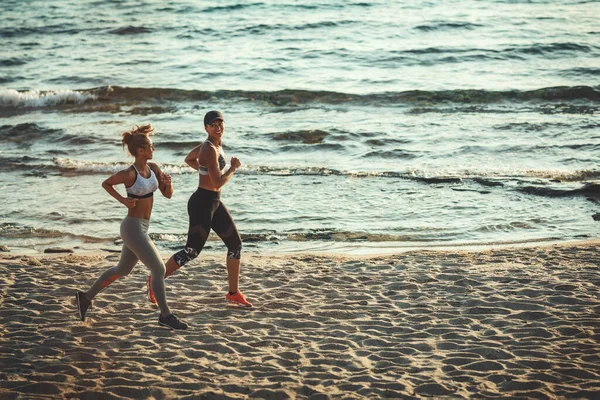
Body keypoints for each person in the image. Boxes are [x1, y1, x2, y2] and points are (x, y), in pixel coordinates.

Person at [75, 124, 188, 330]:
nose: (153, 150)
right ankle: (165, 315)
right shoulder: (129, 174)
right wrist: (124, 201)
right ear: (140, 151)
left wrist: (168, 183)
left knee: (123, 269)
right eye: (151, 147)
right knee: (158, 268)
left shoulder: (153, 168)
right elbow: (106, 183)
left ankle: (85, 297)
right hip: (132, 228)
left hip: (142, 227)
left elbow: (168, 194)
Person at [146, 110, 252, 307]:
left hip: (214, 202)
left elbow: (188, 159)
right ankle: (155, 278)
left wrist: (204, 170)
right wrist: (233, 168)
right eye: (213, 125)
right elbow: (218, 182)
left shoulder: (215, 146)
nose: (218, 127)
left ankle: (233, 292)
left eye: (220, 123)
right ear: (206, 128)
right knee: (192, 251)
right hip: (202, 203)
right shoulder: (209, 149)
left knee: (235, 245)